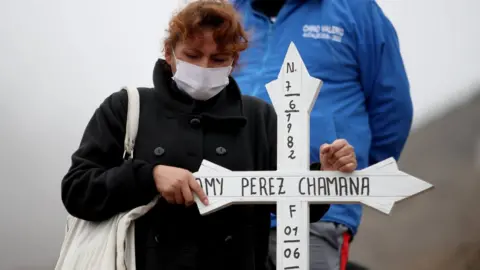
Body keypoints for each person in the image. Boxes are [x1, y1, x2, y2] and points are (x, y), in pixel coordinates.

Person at [60, 1, 359, 269]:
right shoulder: (126, 108)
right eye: (192, 55)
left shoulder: (259, 118)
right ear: (169, 53)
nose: (204, 67)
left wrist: (325, 176)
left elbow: (295, 203)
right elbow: (77, 190)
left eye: (218, 60)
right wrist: (149, 176)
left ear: (233, 62)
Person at [230, 0, 414, 269]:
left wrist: (351, 178)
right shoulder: (225, 11)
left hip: (318, 213)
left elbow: (392, 106)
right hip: (231, 208)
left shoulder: (354, 9)